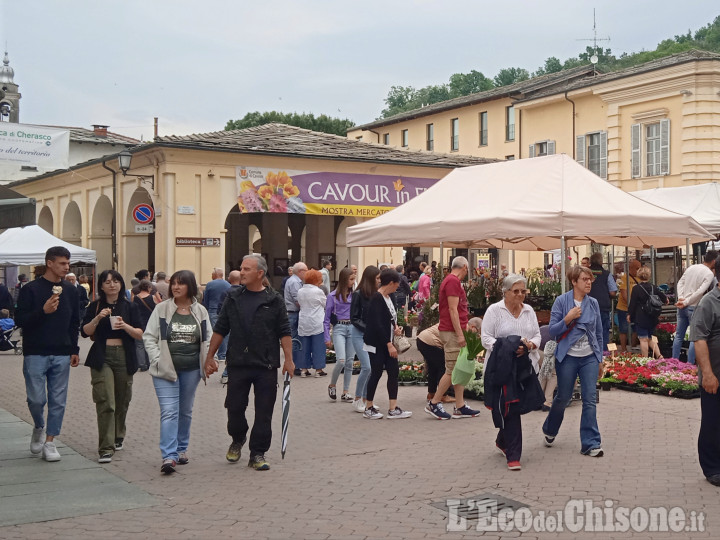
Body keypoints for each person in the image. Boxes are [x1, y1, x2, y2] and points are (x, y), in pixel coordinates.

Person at [204, 254, 294, 471]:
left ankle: (258, 453)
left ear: (260, 274)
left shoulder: (274, 300)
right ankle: (238, 437)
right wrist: (210, 357)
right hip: (238, 363)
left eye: (246, 269)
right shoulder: (233, 297)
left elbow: (284, 331)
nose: (241, 272)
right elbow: (221, 328)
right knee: (234, 408)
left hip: (266, 364)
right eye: (241, 268)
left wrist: (289, 360)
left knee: (264, 411)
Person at [15, 246, 80, 462]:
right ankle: (39, 426)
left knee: (58, 399)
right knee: (36, 399)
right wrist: (43, 312)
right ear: (49, 263)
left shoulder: (71, 291)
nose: (66, 267)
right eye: (62, 263)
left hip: (61, 352)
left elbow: (74, 322)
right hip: (35, 351)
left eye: (68, 263)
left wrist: (74, 349)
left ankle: (51, 442)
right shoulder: (31, 289)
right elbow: (20, 321)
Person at [144, 270, 211, 474]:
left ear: (190, 286)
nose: (175, 287)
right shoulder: (162, 309)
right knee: (169, 411)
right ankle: (169, 456)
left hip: (191, 369)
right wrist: (157, 359)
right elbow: (149, 337)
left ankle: (181, 449)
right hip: (165, 370)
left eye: (181, 283)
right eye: (174, 283)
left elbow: (207, 338)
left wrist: (210, 359)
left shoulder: (200, 311)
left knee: (185, 411)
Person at [81, 270, 143, 463]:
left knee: (122, 400)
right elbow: (85, 332)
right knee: (106, 401)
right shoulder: (95, 306)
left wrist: (125, 326)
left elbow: (140, 333)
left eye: (115, 281)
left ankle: (118, 434)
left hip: (125, 356)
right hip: (102, 357)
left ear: (121, 284)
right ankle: (106, 448)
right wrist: (98, 318)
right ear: (101, 286)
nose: (112, 285)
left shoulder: (130, 307)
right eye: (107, 282)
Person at [480, 274, 541, 470]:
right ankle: (514, 456)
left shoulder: (529, 311)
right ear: (505, 292)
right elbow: (486, 338)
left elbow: (537, 334)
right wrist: (507, 347)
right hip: (502, 367)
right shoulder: (494, 311)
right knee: (512, 407)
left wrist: (530, 345)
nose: (520, 295)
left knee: (517, 405)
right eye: (516, 291)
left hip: (525, 366)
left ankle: (502, 440)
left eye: (524, 291)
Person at [542, 265, 604, 457]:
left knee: (590, 399)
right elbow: (552, 331)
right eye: (585, 279)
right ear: (574, 281)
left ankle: (590, 443)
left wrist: (599, 358)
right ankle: (550, 429)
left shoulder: (593, 303)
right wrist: (568, 319)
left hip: (589, 357)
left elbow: (599, 332)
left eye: (590, 279)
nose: (589, 282)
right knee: (563, 397)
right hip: (567, 357)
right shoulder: (562, 302)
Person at [425, 256, 481, 420]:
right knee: (452, 369)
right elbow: (453, 310)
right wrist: (460, 334)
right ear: (464, 267)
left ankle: (460, 405)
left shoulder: (451, 281)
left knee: (458, 369)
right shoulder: (453, 282)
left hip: (454, 330)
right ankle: (434, 403)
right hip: (451, 332)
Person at [362, 268, 412, 419]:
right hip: (378, 343)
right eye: (397, 284)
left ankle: (393, 407)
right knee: (376, 373)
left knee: (393, 372)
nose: (397, 287)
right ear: (391, 283)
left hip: (388, 341)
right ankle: (369, 407)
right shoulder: (377, 298)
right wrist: (388, 343)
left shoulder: (389, 298)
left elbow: (389, 319)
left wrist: (396, 328)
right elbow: (376, 324)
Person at [688, 263, 720, 487]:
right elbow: (699, 340)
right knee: (713, 422)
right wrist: (707, 374)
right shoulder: (709, 303)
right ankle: (712, 468)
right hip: (715, 376)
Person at [673, 251, 718, 364]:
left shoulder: (691, 267)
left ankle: (674, 362)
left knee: (679, 335)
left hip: (682, 305)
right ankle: (690, 364)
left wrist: (681, 298)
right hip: (693, 306)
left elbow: (680, 283)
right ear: (714, 261)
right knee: (695, 336)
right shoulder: (709, 274)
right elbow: (700, 292)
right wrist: (686, 301)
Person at [349, 266, 380, 413]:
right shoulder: (358, 294)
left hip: (371, 336)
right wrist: (368, 328)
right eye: (377, 278)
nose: (379, 281)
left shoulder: (375, 294)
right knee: (366, 367)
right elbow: (354, 318)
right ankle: (357, 399)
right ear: (370, 278)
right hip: (359, 334)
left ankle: (367, 400)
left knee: (372, 368)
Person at [325, 267, 356, 401]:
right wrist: (327, 337)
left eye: (354, 279)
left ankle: (346, 391)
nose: (353, 282)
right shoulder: (332, 296)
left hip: (352, 328)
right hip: (339, 328)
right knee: (341, 360)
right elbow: (326, 319)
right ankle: (332, 384)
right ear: (344, 280)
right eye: (351, 279)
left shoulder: (355, 295)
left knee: (349, 362)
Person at [627, 266, 668, 359]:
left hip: (641, 316)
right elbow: (664, 298)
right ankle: (659, 355)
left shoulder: (636, 288)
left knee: (643, 339)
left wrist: (629, 314)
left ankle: (645, 359)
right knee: (650, 337)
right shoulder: (653, 287)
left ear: (638, 276)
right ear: (649, 276)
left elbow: (632, 303)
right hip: (653, 316)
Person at [297, 269, 328, 377]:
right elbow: (325, 304)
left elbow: (299, 303)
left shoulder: (300, 291)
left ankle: (303, 369)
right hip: (317, 321)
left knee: (304, 346)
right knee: (318, 346)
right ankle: (318, 370)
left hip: (304, 321)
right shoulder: (318, 291)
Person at [416, 323, 455, 404]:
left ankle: (431, 394)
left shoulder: (449, 320)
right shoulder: (460, 326)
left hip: (421, 339)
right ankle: (443, 395)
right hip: (430, 342)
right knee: (443, 367)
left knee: (433, 368)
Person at [587, 252, 618, 351]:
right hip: (603, 307)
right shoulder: (606, 274)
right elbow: (613, 292)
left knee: (588, 331)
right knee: (604, 332)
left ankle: (590, 353)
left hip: (587, 307)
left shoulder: (585, 273)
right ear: (601, 261)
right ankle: (603, 355)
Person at [203, 268, 231, 363]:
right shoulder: (228, 284)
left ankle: (216, 354)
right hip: (225, 310)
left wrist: (206, 308)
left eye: (212, 274)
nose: (211, 275)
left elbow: (206, 298)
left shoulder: (210, 284)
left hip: (213, 309)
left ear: (215, 275)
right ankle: (223, 354)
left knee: (215, 332)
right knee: (225, 332)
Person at [284, 262, 307, 375]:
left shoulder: (295, 281)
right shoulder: (294, 282)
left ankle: (296, 364)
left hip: (294, 313)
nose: (307, 273)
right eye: (306, 270)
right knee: (295, 340)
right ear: (300, 271)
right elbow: (297, 300)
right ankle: (295, 365)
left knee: (295, 339)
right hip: (294, 313)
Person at [133, 279, 161, 371]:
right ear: (148, 287)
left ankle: (142, 364)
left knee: (139, 345)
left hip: (138, 323)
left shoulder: (135, 297)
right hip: (150, 323)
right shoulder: (152, 297)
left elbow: (132, 309)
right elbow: (157, 309)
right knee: (149, 342)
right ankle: (149, 362)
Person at [615, 259, 641, 353]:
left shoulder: (640, 278)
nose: (639, 270)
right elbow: (623, 292)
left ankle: (633, 347)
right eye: (637, 268)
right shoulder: (624, 278)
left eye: (640, 268)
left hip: (636, 308)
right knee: (623, 328)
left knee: (636, 328)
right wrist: (631, 305)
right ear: (631, 268)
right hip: (623, 308)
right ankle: (624, 349)